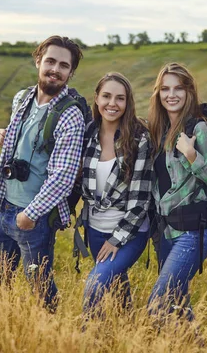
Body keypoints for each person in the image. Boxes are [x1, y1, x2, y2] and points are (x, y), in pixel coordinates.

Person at [0, 35, 85, 312]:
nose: (55, 69)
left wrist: (29, 215)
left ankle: (50, 333)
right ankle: (3, 329)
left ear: (70, 72)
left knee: (40, 286)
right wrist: (3, 137)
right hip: (3, 204)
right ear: (38, 61)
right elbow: (19, 144)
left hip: (33, 217)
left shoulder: (70, 115)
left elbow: (63, 177)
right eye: (50, 61)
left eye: (63, 65)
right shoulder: (22, 98)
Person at [146, 62, 207, 321]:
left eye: (179, 88)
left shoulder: (200, 129)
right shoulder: (158, 133)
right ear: (158, 93)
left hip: (192, 233)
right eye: (165, 88)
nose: (172, 94)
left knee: (158, 303)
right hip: (164, 234)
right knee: (178, 308)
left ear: (189, 92)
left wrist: (192, 155)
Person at [79, 72, 153, 317]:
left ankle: (89, 340)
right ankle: (128, 331)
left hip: (129, 233)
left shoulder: (139, 138)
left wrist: (115, 240)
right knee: (118, 289)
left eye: (120, 98)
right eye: (107, 96)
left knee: (95, 286)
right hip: (94, 230)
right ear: (97, 99)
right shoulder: (87, 133)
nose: (112, 104)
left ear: (127, 102)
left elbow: (141, 200)